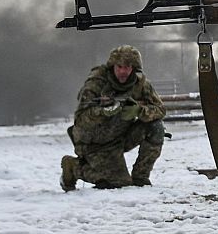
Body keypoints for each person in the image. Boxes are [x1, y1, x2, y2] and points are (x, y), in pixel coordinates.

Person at [61, 44, 167, 191]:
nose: (123, 71)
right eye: (119, 66)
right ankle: (73, 167)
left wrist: (139, 111)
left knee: (156, 127)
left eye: (128, 67)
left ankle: (140, 176)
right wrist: (103, 112)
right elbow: (81, 121)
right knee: (116, 183)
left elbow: (160, 110)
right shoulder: (96, 83)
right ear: (112, 66)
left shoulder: (140, 84)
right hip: (94, 143)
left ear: (134, 68)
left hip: (121, 137)